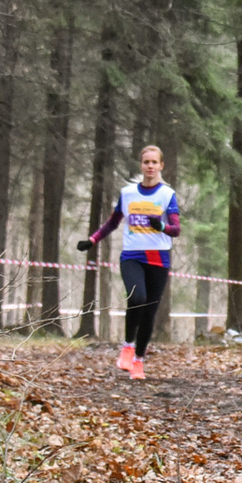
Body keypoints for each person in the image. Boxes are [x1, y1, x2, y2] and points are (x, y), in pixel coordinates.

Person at [78, 145, 186, 380]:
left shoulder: (167, 194)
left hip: (158, 257)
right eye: (146, 162)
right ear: (141, 165)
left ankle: (139, 361)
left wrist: (162, 226)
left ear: (161, 166)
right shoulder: (128, 193)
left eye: (154, 162)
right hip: (132, 255)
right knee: (137, 298)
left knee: (149, 312)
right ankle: (127, 346)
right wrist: (92, 240)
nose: (150, 166)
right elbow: (113, 222)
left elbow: (176, 229)